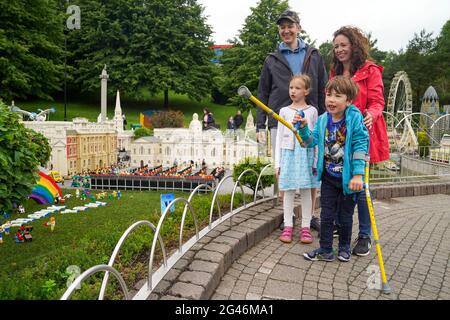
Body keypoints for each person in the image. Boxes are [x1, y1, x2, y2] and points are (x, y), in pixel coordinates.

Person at [256, 9, 327, 233]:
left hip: (310, 118)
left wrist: (325, 121)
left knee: (311, 168)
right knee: (283, 170)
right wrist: (260, 124)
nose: (286, 30)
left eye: (290, 26)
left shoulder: (313, 55)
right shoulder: (272, 58)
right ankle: (286, 218)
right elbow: (263, 91)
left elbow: (323, 88)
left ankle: (310, 216)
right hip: (280, 118)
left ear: (298, 26)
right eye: (282, 27)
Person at [330, 26, 389, 256]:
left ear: (354, 45)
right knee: (337, 181)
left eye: (343, 45)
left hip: (362, 135)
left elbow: (377, 101)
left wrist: (370, 115)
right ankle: (339, 224)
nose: (339, 50)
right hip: (340, 136)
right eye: (336, 46)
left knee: (361, 186)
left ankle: (364, 235)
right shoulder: (334, 72)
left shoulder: (370, 70)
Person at [296, 76, 369, 262]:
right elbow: (309, 142)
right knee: (326, 216)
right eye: (329, 95)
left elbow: (361, 145)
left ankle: (344, 247)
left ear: (349, 100)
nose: (331, 100)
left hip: (348, 179)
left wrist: (358, 175)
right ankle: (325, 250)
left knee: (345, 217)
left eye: (337, 96)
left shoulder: (354, 119)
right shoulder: (322, 120)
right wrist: (303, 128)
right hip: (328, 177)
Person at [275, 74, 320, 244]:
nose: (293, 91)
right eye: (291, 87)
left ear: (306, 91)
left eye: (298, 88)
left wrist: (316, 161)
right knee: (288, 191)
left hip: (306, 156)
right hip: (288, 155)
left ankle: (306, 227)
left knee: (307, 191)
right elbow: (279, 137)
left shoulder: (313, 111)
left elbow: (315, 138)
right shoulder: (284, 111)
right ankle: (288, 225)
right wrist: (277, 163)